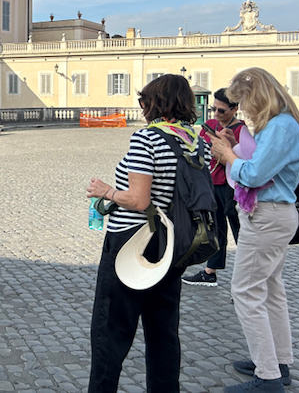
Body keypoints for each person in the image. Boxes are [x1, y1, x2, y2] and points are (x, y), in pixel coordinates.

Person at [86, 74, 210, 393]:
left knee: (110, 329)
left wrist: (107, 191)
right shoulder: (197, 142)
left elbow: (139, 200)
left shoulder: (148, 138)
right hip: (174, 243)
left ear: (156, 102)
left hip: (132, 242)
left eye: (144, 101)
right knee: (163, 330)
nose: (141, 107)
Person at [210, 68, 299, 393]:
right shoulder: (280, 124)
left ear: (257, 97)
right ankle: (277, 361)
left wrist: (227, 155)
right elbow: (259, 163)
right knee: (271, 290)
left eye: (243, 102)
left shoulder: (279, 126)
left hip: (267, 215)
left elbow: (252, 174)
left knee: (247, 291)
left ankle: (267, 377)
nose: (242, 110)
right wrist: (236, 146)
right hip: (273, 214)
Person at [183, 88, 248, 287]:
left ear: (235, 108)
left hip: (231, 187)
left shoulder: (241, 130)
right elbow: (199, 150)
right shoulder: (210, 125)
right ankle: (210, 271)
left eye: (222, 111)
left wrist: (221, 152)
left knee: (239, 230)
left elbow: (241, 161)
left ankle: (245, 278)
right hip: (211, 183)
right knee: (215, 228)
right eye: (214, 109)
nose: (216, 115)